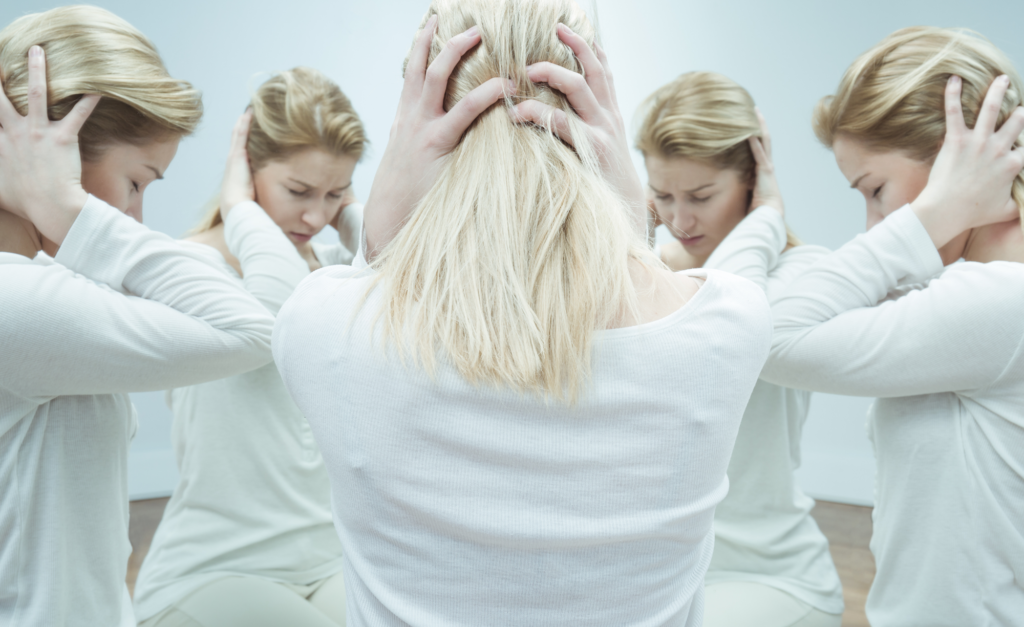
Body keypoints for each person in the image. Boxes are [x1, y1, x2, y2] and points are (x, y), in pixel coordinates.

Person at [273, 1, 772, 625]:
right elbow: (649, 306)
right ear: (600, 120)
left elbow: (365, 291)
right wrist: (626, 215)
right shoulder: (729, 325)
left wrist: (379, 237)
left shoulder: (322, 330)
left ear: (412, 132)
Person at [0, 6, 275, 627]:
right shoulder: (14, 305)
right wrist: (69, 207)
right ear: (55, 156)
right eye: (137, 182)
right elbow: (252, 327)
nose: (137, 217)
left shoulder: (38, 289)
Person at [754, 27, 1024, 626]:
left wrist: (929, 215)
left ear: (958, 158)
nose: (873, 224)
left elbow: (771, 338)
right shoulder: (970, 294)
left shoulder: (1000, 303)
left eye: (875, 190)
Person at [133, 67, 367, 627]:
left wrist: (356, 223)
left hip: (326, 559)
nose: (316, 216)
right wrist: (237, 208)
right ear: (247, 168)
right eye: (298, 191)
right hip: (216, 566)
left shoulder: (336, 268)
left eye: (337, 194)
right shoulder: (186, 267)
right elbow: (269, 318)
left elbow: (412, 299)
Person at [637, 72, 843, 627]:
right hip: (669, 573)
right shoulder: (649, 275)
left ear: (753, 180)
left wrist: (767, 219)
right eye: (663, 195)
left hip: (770, 576)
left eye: (701, 196)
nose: (679, 221)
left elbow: (745, 324)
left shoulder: (803, 276)